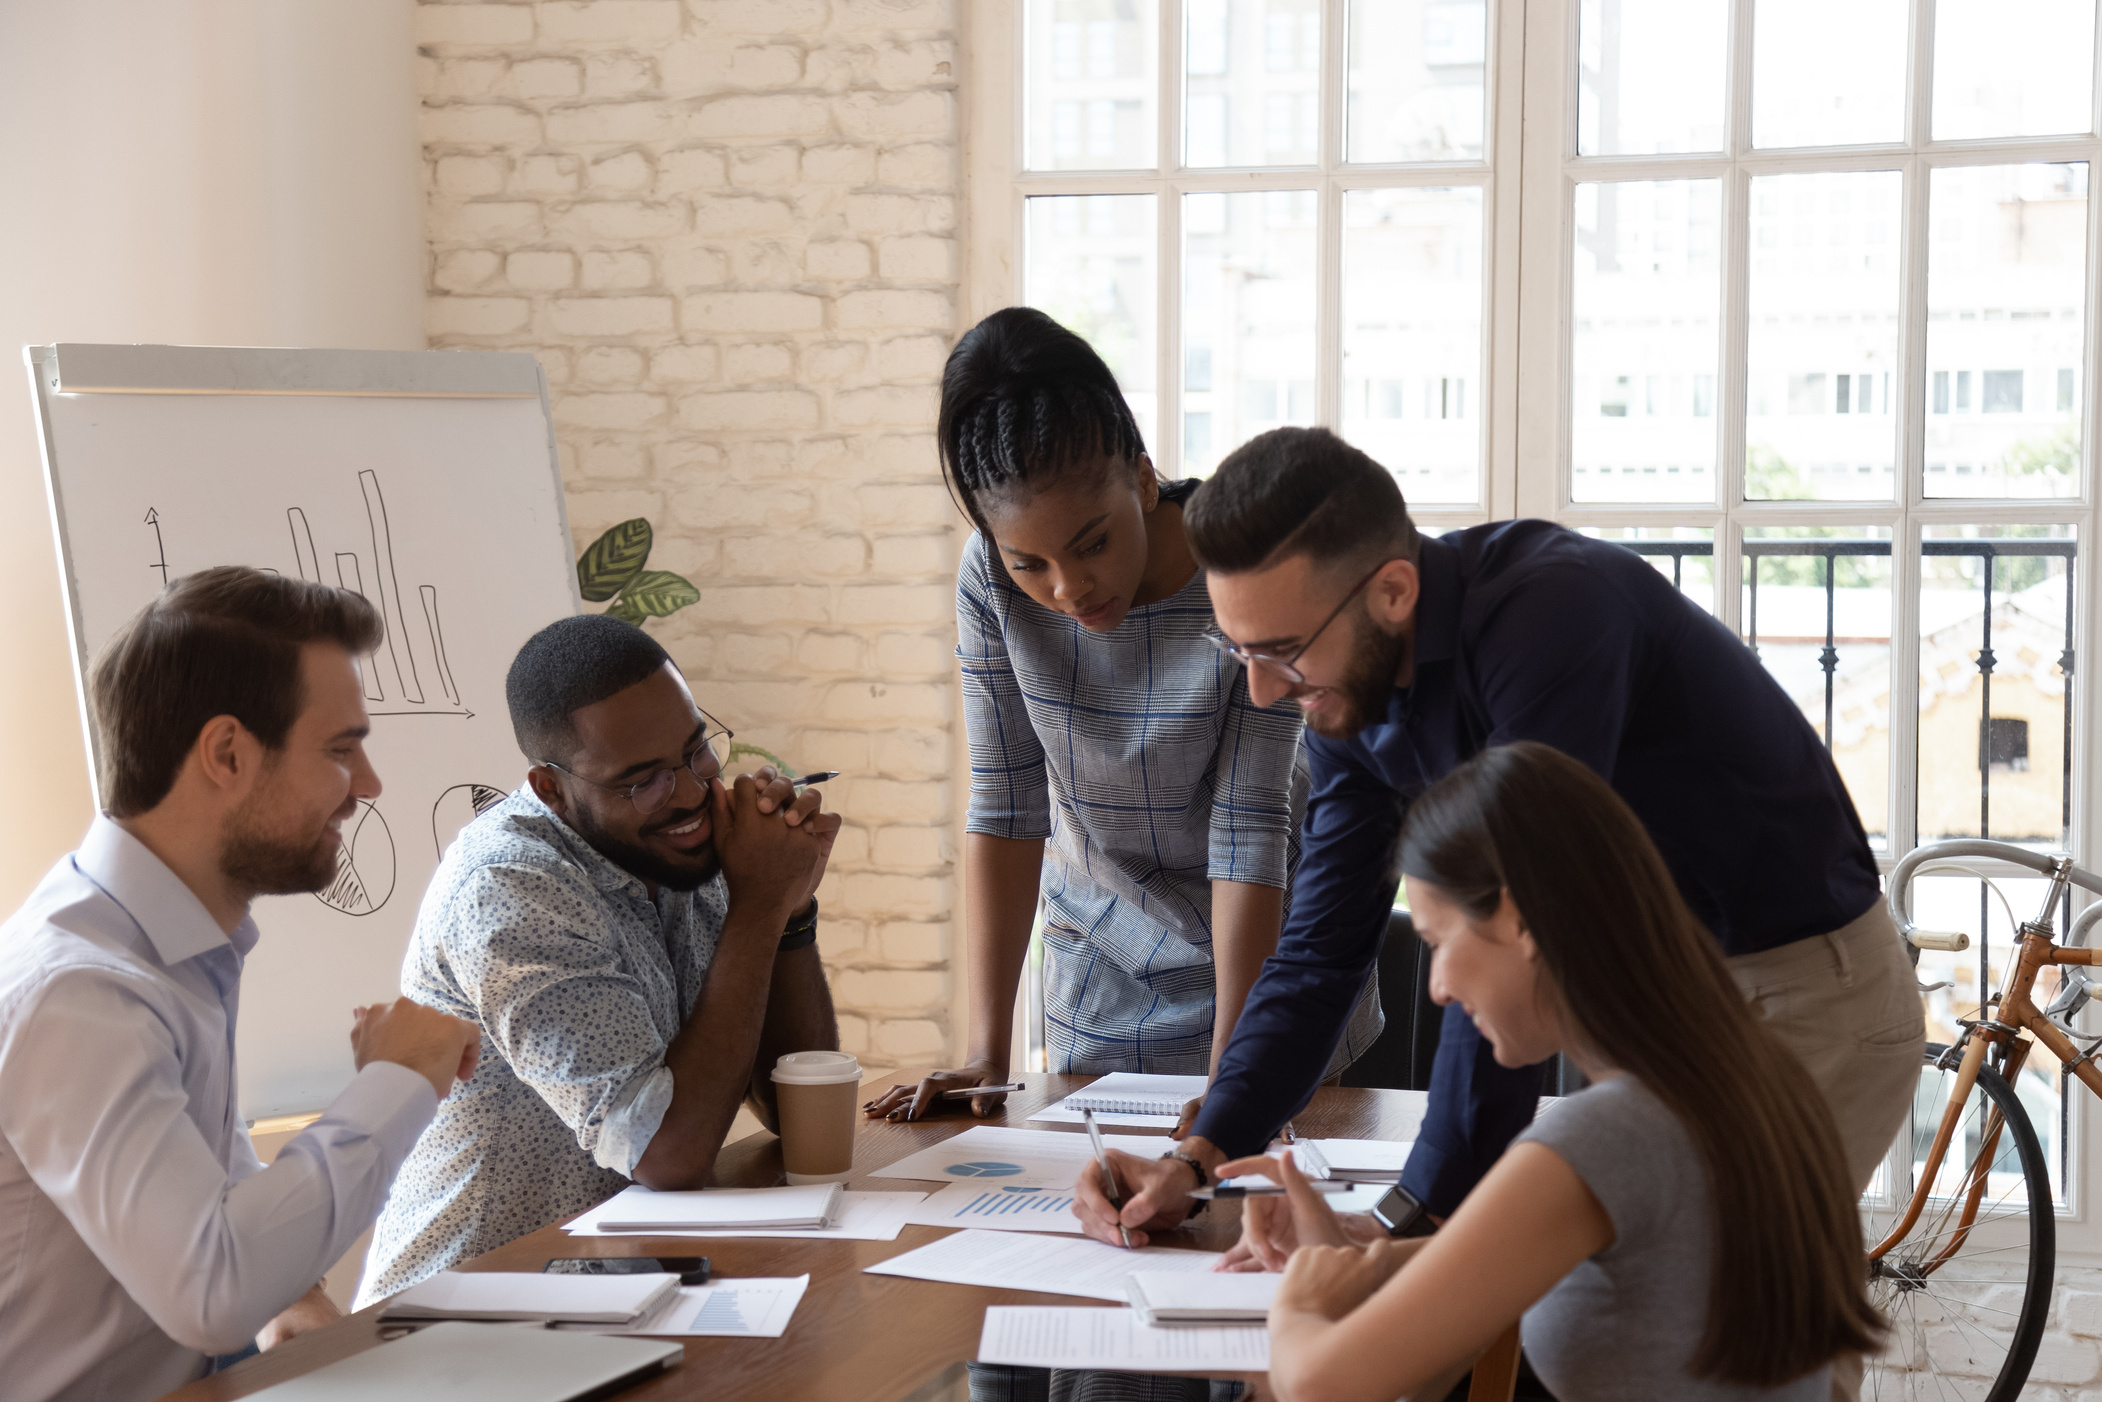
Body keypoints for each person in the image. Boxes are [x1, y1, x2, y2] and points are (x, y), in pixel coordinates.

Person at [1076, 426, 1919, 1255]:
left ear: (1395, 592)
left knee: (1730, 1337)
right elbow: (1319, 953)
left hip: (1799, 992)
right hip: (1657, 1002)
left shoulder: (1556, 614)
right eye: (1241, 652)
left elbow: (1523, 929)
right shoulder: (1347, 693)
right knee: (1620, 1322)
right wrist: (1199, 1157)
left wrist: (1415, 1211)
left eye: (1284, 652)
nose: (1263, 692)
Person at [1217, 743, 1881, 1402]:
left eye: (1438, 942)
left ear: (1518, 917)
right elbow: (1502, 1262)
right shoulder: (1754, 1078)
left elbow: (1324, 1382)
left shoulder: (1606, 1135)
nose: (1439, 987)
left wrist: (1300, 1301)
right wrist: (1353, 1261)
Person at [865, 308, 1379, 1127]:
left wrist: (1235, 1088)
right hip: (1100, 983)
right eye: (1029, 561)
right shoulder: (989, 583)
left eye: (1094, 544)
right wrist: (983, 1060)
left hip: (1272, 977)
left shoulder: (1238, 569)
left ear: (1142, 480)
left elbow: (1249, 828)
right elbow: (1006, 806)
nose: (1068, 589)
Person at [0, 567, 481, 1402]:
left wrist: (295, 1294)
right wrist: (396, 1081)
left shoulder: (170, 952)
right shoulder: (83, 993)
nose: (367, 785)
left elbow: (207, 1209)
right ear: (227, 754)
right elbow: (213, 1292)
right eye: (339, 749)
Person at [359, 614, 840, 1300]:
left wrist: (790, 912)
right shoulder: (508, 888)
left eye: (696, 749)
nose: (694, 793)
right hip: (462, 1320)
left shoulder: (684, 847)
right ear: (551, 788)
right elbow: (664, 1152)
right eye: (643, 781)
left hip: (612, 1289)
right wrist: (760, 904)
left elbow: (796, 1115)